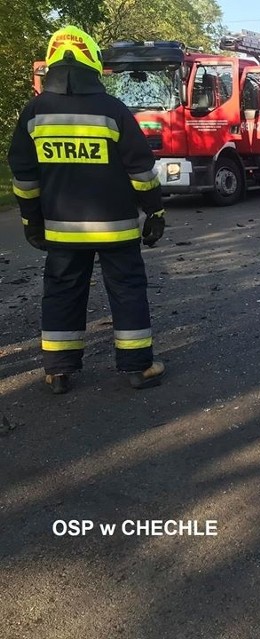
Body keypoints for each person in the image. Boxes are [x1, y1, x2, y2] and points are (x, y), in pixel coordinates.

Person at [7, 25, 166, 394]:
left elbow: (24, 177)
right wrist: (155, 212)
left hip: (62, 230)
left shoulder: (34, 113)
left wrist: (32, 221)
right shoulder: (113, 110)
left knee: (61, 292)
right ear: (93, 62)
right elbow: (141, 170)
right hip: (117, 228)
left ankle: (58, 372)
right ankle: (137, 368)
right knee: (127, 291)